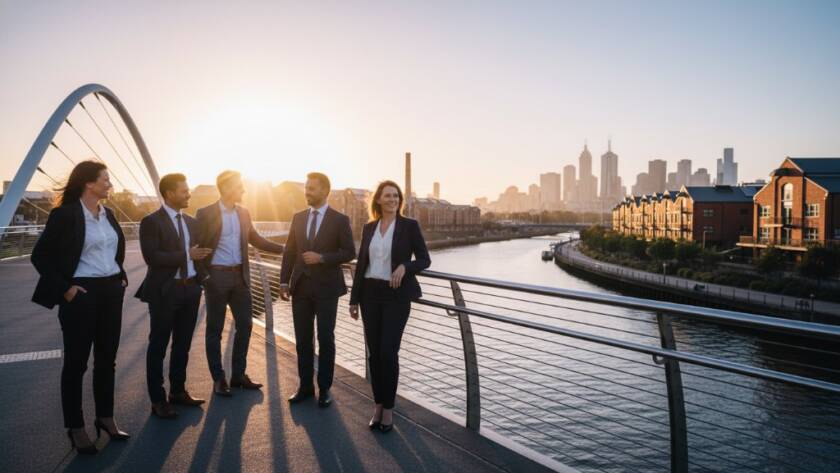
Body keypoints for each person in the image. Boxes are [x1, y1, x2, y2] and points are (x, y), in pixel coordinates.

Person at [31, 160, 130, 454]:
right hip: (82, 294)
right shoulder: (65, 215)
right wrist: (67, 289)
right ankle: (75, 427)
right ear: (89, 183)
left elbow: (114, 250)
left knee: (107, 360)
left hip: (111, 292)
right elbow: (40, 256)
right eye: (105, 179)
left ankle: (105, 418)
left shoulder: (108, 214)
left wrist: (120, 276)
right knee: (76, 364)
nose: (110, 184)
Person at [349, 180, 430, 433]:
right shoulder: (369, 228)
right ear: (378, 199)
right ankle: (378, 405)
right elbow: (362, 265)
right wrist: (354, 299)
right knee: (374, 354)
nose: (393, 199)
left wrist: (405, 266)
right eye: (388, 195)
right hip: (369, 295)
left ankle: (389, 410)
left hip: (396, 296)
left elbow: (425, 259)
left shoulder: (409, 226)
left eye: (396, 196)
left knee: (388, 352)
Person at [196, 170, 284, 396]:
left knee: (245, 325)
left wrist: (286, 250)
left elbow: (256, 239)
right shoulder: (205, 213)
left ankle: (238, 375)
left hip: (240, 278)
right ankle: (218, 379)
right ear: (226, 188)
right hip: (216, 277)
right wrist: (205, 277)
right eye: (239, 186)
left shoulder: (244, 213)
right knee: (215, 330)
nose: (243, 190)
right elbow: (195, 248)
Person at [137, 174, 212, 418]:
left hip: (191, 289)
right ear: (169, 194)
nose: (188, 194)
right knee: (158, 345)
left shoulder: (192, 222)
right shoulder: (151, 222)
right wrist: (187, 254)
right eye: (184, 190)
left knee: (183, 344)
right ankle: (158, 400)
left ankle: (178, 391)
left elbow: (198, 254)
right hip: (165, 291)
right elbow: (152, 257)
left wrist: (203, 277)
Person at [280, 172, 355, 408]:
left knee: (325, 338)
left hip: (327, 288)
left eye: (311, 188)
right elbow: (290, 251)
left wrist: (322, 257)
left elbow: (349, 252)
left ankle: (324, 389)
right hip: (300, 287)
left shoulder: (339, 220)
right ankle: (305, 386)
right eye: (306, 187)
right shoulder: (298, 218)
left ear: (325, 191)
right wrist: (283, 281)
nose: (307, 192)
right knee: (302, 339)